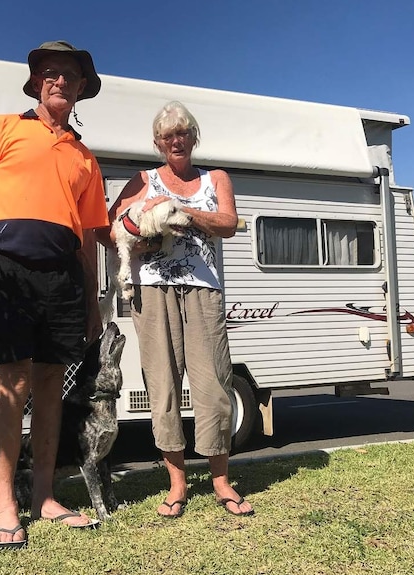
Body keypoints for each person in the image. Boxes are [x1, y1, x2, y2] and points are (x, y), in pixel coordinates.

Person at [0, 41, 109, 548]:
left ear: (81, 87)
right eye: (49, 72)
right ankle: (5, 502)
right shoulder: (2, 128)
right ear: (36, 82)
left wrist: (92, 300)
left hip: (64, 276)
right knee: (12, 383)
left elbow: (88, 239)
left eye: (68, 73)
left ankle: (44, 496)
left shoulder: (85, 158)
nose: (59, 79)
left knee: (49, 386)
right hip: (7, 269)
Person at [100, 101, 255, 518]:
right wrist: (144, 239)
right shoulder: (143, 180)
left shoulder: (215, 177)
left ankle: (221, 481)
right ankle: (177, 484)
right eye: (168, 136)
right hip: (152, 291)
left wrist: (183, 213)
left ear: (193, 137)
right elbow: (110, 229)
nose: (176, 140)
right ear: (158, 143)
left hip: (203, 291)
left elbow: (227, 222)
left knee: (215, 387)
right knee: (162, 387)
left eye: (183, 133)